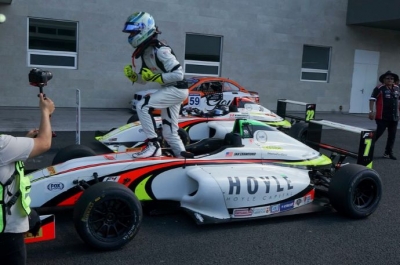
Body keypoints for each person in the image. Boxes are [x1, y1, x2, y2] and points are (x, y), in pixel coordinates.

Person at [122, 12, 188, 158]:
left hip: (177, 89)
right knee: (170, 132)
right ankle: (183, 158)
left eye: (133, 31)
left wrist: (157, 77)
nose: (131, 35)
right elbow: (144, 79)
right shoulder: (146, 52)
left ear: (143, 29)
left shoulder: (161, 50)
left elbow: (179, 74)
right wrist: (134, 76)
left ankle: (154, 145)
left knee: (142, 105)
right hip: (171, 89)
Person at [0, 93, 55, 264]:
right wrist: (45, 112)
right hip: (7, 229)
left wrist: (25, 142)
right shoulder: (3, 144)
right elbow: (45, 143)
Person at [369, 70, 400, 160]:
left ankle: (388, 153)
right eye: (388, 78)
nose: (390, 80)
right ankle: (365, 151)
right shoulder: (379, 88)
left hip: (394, 117)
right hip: (382, 117)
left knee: (392, 136)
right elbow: (372, 99)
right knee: (377, 134)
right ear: (383, 79)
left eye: (392, 78)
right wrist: (371, 111)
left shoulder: (397, 88)